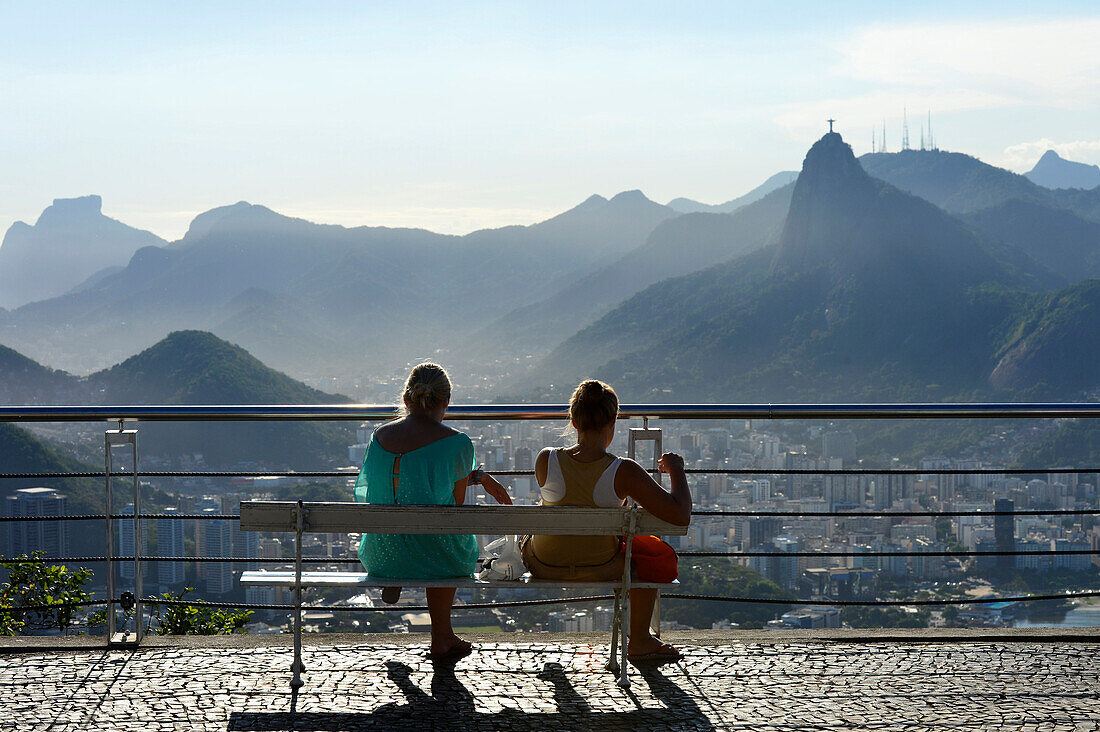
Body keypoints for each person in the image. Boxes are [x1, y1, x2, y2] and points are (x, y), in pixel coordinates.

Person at [523, 379, 691, 662]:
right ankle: (639, 639)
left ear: (573, 420)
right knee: (650, 556)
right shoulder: (623, 471)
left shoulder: (545, 459)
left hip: (545, 564)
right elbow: (679, 515)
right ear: (614, 420)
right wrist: (677, 470)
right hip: (602, 566)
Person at [354, 362, 511, 661]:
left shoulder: (379, 437)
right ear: (446, 401)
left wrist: (472, 474)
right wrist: (475, 475)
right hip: (436, 552)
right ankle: (441, 636)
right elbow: (455, 506)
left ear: (405, 400)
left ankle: (394, 574)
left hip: (380, 550)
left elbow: (372, 488)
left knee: (410, 526)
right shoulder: (457, 443)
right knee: (451, 540)